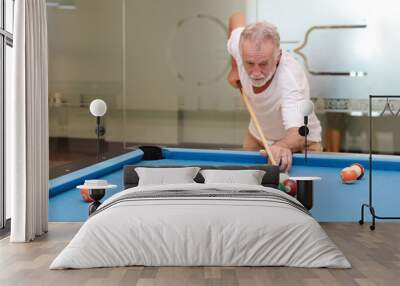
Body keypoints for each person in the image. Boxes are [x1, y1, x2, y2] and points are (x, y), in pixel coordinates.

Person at [227, 12, 322, 172]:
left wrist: (282, 146)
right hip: (257, 136)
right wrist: (235, 68)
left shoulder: (289, 79)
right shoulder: (239, 44)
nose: (256, 73)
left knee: (302, 196)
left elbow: (298, 133)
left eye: (263, 64)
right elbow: (236, 17)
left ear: (277, 56)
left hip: (301, 143)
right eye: (249, 63)